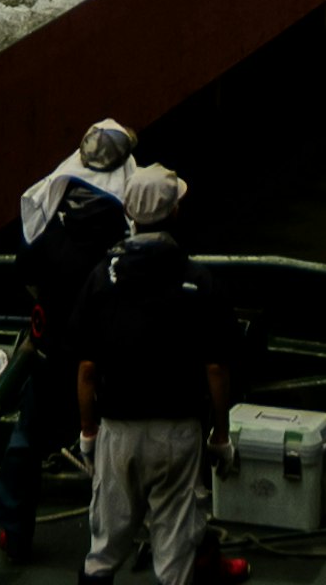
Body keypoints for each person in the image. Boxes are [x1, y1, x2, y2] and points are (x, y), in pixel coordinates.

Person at [75, 163, 243, 585]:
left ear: (129, 213)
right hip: (177, 432)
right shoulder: (197, 282)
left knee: (104, 546)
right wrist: (220, 436)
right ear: (174, 213)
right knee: (173, 552)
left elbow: (88, 368)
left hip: (117, 431)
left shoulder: (101, 278)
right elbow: (217, 367)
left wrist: (88, 432)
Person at [0, 117, 136, 564]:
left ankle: (14, 531)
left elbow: (25, 267)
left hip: (54, 353)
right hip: (106, 361)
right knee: (118, 448)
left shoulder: (55, 225)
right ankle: (120, 538)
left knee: (26, 441)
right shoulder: (120, 233)